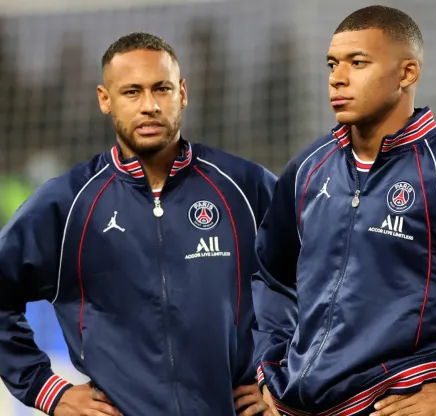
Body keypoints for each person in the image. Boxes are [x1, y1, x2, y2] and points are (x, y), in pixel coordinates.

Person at [251, 5, 436, 416]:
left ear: (407, 73)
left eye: (358, 63)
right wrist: (269, 364)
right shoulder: (309, 168)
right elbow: (270, 277)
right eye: (332, 64)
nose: (337, 77)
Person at [0, 32, 274, 416]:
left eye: (161, 88)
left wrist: (280, 378)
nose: (149, 106)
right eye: (132, 92)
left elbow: (325, 281)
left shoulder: (245, 187)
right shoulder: (68, 202)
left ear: (182, 92)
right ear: (104, 99)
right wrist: (49, 391)